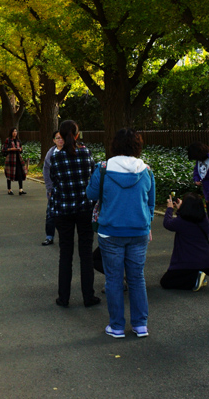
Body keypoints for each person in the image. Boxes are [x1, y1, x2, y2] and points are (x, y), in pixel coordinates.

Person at [86, 128, 154, 338]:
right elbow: (150, 203)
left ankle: (116, 326)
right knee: (137, 278)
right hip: (139, 231)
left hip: (111, 232)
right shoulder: (146, 171)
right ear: (138, 146)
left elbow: (90, 193)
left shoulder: (103, 169)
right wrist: (148, 225)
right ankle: (140, 325)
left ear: (114, 145)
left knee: (114, 280)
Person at [50, 120, 100, 309]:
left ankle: (63, 298)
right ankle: (88, 296)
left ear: (61, 136)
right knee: (86, 253)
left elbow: (54, 180)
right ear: (77, 135)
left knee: (66, 254)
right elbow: (93, 177)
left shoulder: (56, 158)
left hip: (63, 209)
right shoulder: (86, 153)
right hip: (84, 209)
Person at [160, 193, 209, 291]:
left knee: (166, 282)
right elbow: (189, 216)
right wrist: (181, 209)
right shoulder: (204, 218)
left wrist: (170, 208)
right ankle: (199, 273)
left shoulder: (181, 221)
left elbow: (167, 223)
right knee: (183, 274)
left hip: (188, 261)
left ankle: (195, 279)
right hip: (206, 259)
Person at [41, 130, 62, 246]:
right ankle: (49, 236)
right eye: (58, 138)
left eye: (62, 137)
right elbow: (46, 171)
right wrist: (49, 188)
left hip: (66, 189)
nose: (60, 140)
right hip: (53, 189)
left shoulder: (69, 151)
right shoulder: (51, 153)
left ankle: (64, 236)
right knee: (50, 214)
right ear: (54, 140)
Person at [3, 128, 28, 195]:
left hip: (18, 158)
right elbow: (4, 149)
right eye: (13, 131)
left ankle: (21, 189)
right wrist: (12, 149)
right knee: (9, 174)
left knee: (20, 173)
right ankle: (9, 189)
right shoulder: (8, 140)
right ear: (11, 132)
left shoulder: (18, 140)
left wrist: (20, 149)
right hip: (10, 159)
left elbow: (21, 149)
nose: (15, 133)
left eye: (16, 131)